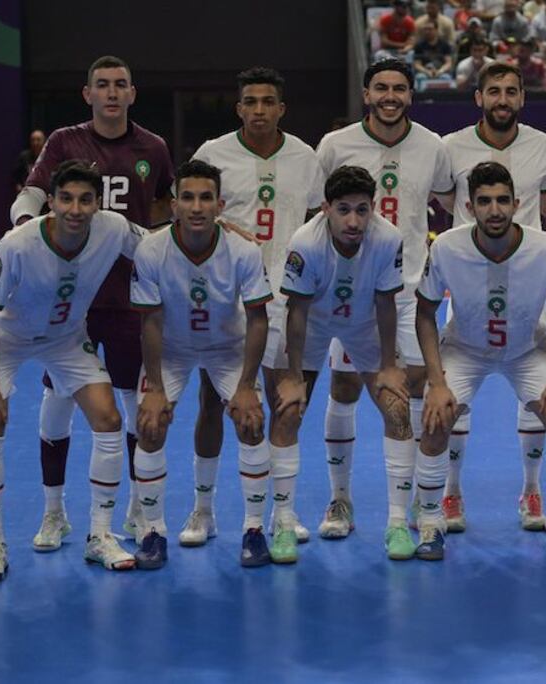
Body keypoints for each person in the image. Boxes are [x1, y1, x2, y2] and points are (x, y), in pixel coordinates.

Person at [10, 56, 175, 554]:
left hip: (129, 298)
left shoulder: (154, 147)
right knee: (56, 399)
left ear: (132, 93)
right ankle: (53, 511)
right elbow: (32, 194)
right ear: (87, 94)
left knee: (130, 404)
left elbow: (166, 212)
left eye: (119, 84)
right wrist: (23, 229)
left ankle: (136, 506)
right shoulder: (64, 142)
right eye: (101, 85)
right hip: (71, 301)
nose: (110, 92)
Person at [0, 160, 143, 581]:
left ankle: (100, 535)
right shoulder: (16, 244)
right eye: (66, 199)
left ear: (97, 204)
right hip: (9, 339)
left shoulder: (114, 229)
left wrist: (217, 233)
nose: (76, 209)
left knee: (109, 418)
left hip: (66, 338)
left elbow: (159, 249)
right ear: (51, 201)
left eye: (86, 200)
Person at [314, 60, 454, 543]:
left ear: (411, 95)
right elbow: (319, 213)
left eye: (399, 88)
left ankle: (413, 493)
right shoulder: (335, 145)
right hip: (349, 289)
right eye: (381, 88)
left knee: (413, 388)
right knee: (346, 386)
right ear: (366, 94)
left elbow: (453, 203)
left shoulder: (433, 147)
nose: (390, 96)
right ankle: (340, 497)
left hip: (412, 289)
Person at [414, 162, 546, 560]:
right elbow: (424, 312)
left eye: (503, 201)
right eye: (485, 202)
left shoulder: (545, 247)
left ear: (517, 204)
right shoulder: (446, 248)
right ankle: (428, 521)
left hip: (526, 350)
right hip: (464, 349)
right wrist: (437, 382)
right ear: (469, 207)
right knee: (436, 416)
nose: (495, 210)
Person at [190, 67, 323, 546]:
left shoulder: (306, 158)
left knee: (285, 405)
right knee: (213, 403)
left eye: (269, 102)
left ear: (282, 108)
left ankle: (282, 514)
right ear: (239, 107)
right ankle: (202, 510)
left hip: (286, 300)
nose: (260, 110)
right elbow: (193, 213)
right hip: (226, 300)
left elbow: (316, 220)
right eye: (251, 102)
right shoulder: (213, 154)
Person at [264, 165, 416, 561]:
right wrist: (295, 376)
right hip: (312, 322)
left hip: (364, 321)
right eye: (344, 210)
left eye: (362, 210)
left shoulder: (388, 238)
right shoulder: (306, 242)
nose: (353, 221)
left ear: (373, 209)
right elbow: (295, 311)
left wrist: (387, 364)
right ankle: (282, 521)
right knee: (287, 412)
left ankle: (397, 523)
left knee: (398, 409)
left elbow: (386, 302)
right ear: (325, 208)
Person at [129, 160, 273, 569]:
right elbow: (150, 321)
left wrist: (247, 384)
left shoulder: (243, 251)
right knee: (150, 425)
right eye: (187, 197)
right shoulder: (152, 250)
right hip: (172, 349)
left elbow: (258, 319)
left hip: (227, 347)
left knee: (250, 419)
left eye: (205, 198)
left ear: (220, 205)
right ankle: (153, 531)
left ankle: (253, 529)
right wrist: (155, 388)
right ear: (173, 205)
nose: (196, 206)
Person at [440, 62, 546, 531]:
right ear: (479, 98)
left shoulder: (541, 145)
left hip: (530, 281)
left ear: (522, 98)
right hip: (470, 281)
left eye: (511, 91)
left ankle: (532, 491)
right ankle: (450, 494)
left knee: (533, 387)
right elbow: (436, 197)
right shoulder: (451, 149)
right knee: (454, 392)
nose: (503, 100)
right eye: (494, 91)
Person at [414, 21, 456, 87]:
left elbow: (448, 63)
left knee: (446, 78)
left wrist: (440, 71)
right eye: (425, 29)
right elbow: (417, 64)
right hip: (425, 72)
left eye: (430, 29)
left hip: (441, 72)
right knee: (420, 77)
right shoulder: (419, 45)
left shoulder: (445, 45)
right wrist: (426, 72)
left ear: (436, 30)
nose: (427, 32)